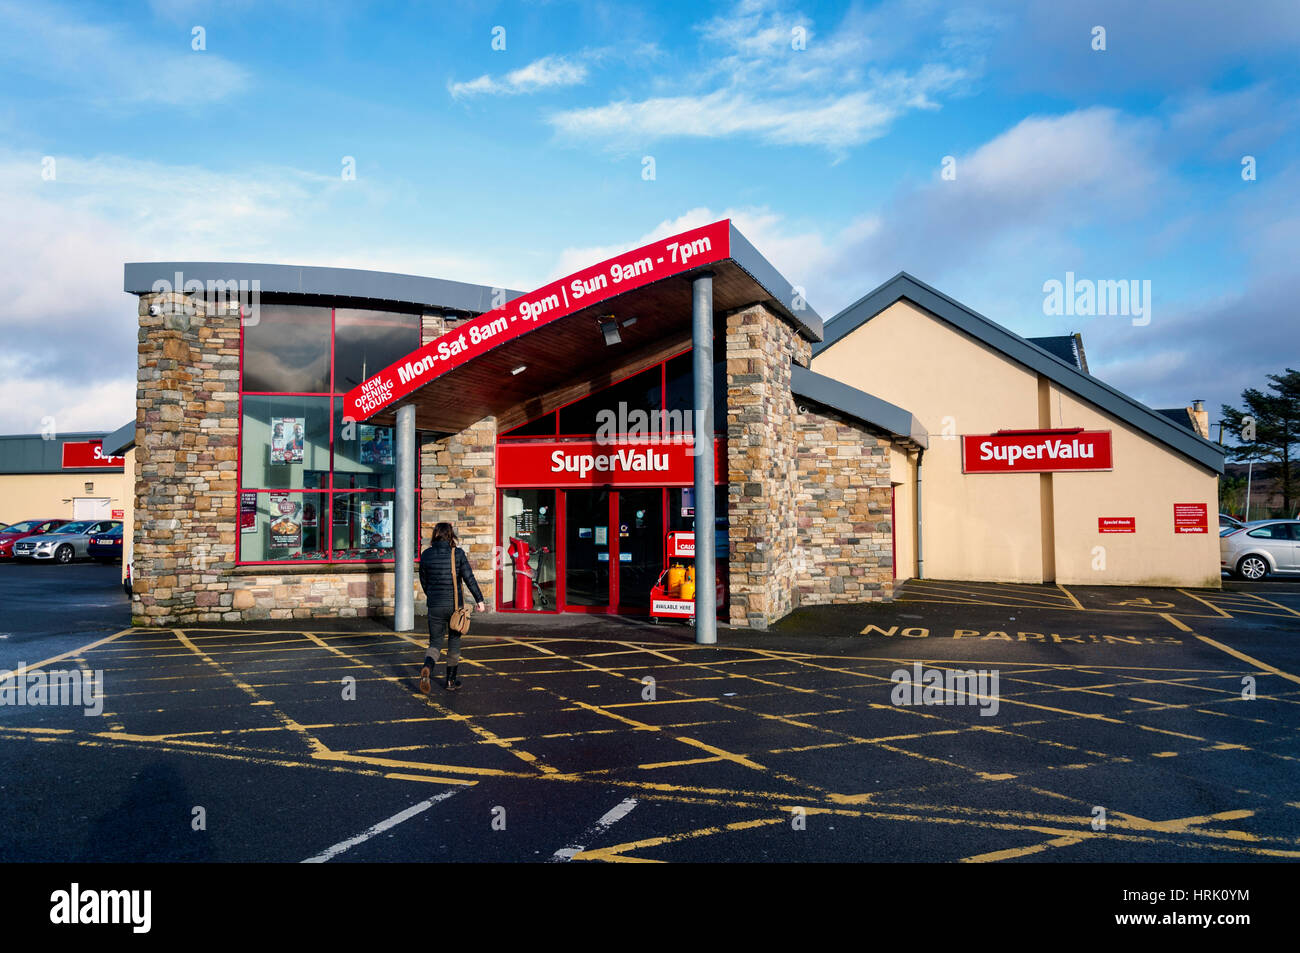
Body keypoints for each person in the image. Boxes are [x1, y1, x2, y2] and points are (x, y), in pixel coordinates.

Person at [418, 522, 485, 692]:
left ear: (435, 535)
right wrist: (480, 600)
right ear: (450, 535)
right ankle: (450, 681)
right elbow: (470, 578)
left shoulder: (426, 555)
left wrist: (432, 596)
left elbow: (424, 581)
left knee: (434, 643)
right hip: (455, 607)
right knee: (454, 642)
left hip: (434, 605)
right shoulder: (458, 554)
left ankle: (427, 668)